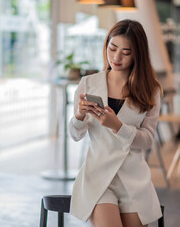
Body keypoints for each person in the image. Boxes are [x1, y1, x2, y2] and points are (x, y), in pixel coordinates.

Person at [68, 19, 163, 227]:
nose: (116, 57)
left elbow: (147, 140)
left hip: (133, 181)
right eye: (112, 48)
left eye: (126, 52)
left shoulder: (151, 90)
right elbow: (75, 135)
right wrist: (79, 116)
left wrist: (118, 126)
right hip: (98, 178)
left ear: (137, 54)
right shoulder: (89, 83)